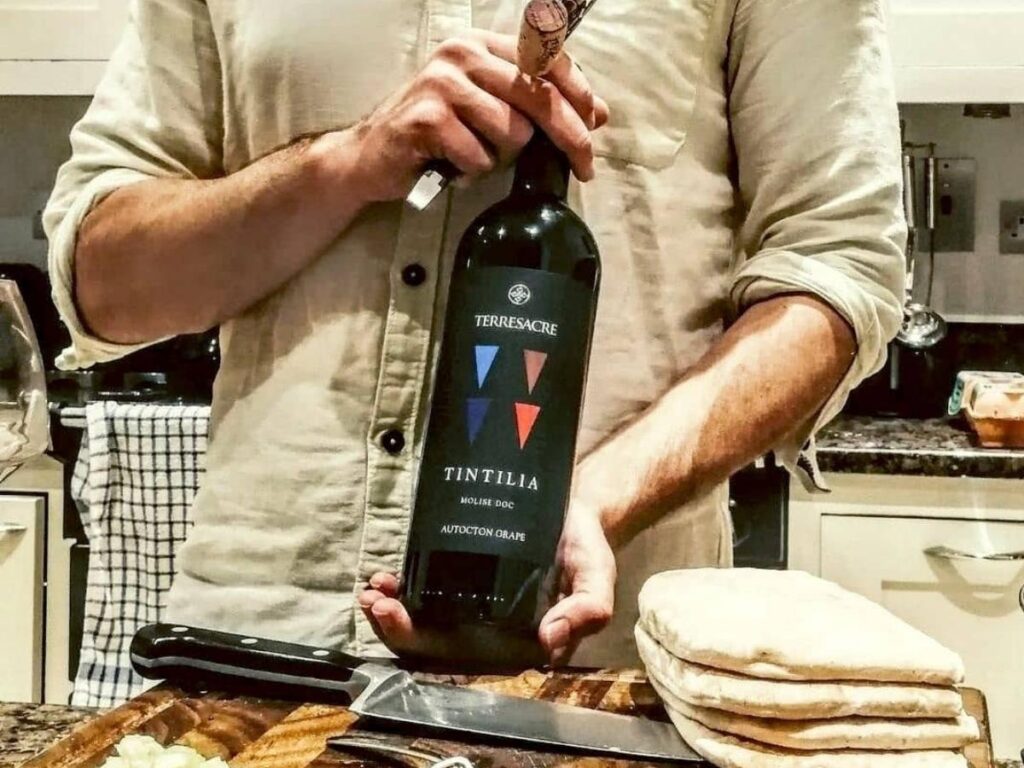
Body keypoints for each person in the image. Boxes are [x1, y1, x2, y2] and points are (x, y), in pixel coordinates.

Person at [45, 0, 906, 669]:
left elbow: (837, 276)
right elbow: (102, 285)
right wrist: (344, 163)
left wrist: (589, 505)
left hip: (589, 677)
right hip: (251, 651)